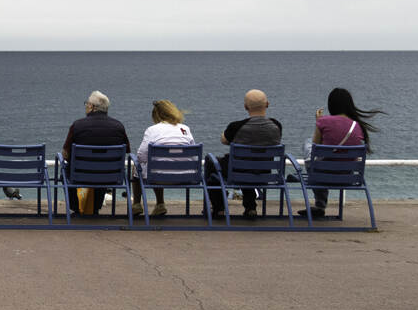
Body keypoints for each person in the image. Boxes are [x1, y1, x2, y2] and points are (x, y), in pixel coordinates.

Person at [300, 87, 383, 217]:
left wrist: (318, 122)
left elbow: (316, 148)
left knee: (308, 143)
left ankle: (320, 205)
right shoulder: (357, 125)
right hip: (348, 177)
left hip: (321, 176)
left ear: (331, 105)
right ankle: (319, 206)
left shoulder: (323, 121)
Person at [207, 88, 282, 219]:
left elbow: (224, 140)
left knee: (211, 161)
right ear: (267, 104)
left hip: (239, 172)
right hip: (265, 172)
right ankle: (250, 207)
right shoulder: (276, 125)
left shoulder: (236, 126)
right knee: (250, 163)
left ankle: (219, 208)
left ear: (245, 107)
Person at [60, 91, 131, 215]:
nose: (86, 106)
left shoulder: (77, 125)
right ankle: (95, 208)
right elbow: (127, 150)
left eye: (87, 104)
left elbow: (65, 153)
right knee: (102, 168)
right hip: (110, 177)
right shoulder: (118, 126)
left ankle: (76, 208)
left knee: (65, 172)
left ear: (92, 107)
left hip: (80, 176)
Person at [133, 99, 194, 217]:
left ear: (156, 115)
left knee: (138, 167)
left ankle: (137, 205)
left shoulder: (152, 130)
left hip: (158, 177)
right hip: (185, 176)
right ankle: (159, 205)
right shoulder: (185, 129)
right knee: (157, 165)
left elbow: (141, 156)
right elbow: (192, 154)